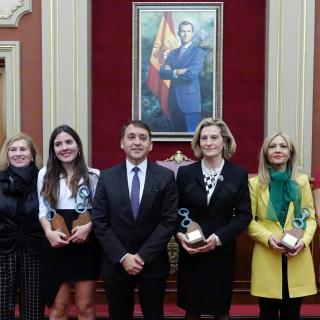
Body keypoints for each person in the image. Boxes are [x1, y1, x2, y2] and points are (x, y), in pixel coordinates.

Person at [91, 120, 178, 320]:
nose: (137, 142)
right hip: (116, 262)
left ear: (151, 145)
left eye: (142, 138)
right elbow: (100, 221)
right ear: (122, 143)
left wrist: (142, 256)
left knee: (154, 315)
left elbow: (169, 221)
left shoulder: (165, 177)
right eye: (131, 137)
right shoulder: (107, 177)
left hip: (153, 262)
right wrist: (123, 257)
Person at [176, 118, 252, 320]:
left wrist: (217, 238)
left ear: (224, 142)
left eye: (214, 137)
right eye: (204, 138)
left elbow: (244, 215)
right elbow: (175, 210)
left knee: (221, 311)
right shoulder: (185, 172)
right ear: (198, 143)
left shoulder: (238, 174)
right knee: (192, 311)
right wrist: (179, 234)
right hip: (191, 252)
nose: (208, 142)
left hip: (221, 253)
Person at [248, 132, 317, 320]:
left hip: (296, 254)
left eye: (283, 146)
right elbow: (248, 219)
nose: (278, 150)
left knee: (292, 313)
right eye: (272, 146)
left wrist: (303, 242)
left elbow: (310, 218)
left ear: (290, 152)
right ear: (265, 153)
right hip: (268, 253)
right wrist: (267, 238)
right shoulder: (254, 184)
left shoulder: (301, 182)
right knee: (268, 313)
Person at [37, 125, 100, 320]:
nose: (64, 147)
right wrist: (49, 233)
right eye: (58, 144)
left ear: (78, 146)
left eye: (69, 142)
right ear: (53, 150)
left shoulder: (94, 175)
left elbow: (101, 212)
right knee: (58, 307)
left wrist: (88, 229)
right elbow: (42, 210)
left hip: (86, 244)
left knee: (85, 306)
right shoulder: (44, 174)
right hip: (56, 243)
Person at [0, 133, 44, 320]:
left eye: (23, 149)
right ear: (7, 155)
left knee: (33, 310)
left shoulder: (45, 181)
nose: (18, 153)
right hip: (2, 251)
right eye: (13, 149)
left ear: (32, 155)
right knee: (1, 309)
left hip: (35, 251)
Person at [159, 20, 204, 132]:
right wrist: (177, 72)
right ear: (178, 33)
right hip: (174, 102)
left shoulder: (197, 52)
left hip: (190, 103)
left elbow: (191, 74)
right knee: (176, 137)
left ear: (193, 34)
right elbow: (162, 73)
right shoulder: (173, 53)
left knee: (191, 139)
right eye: (183, 31)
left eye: (188, 31)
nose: (185, 34)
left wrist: (171, 72)